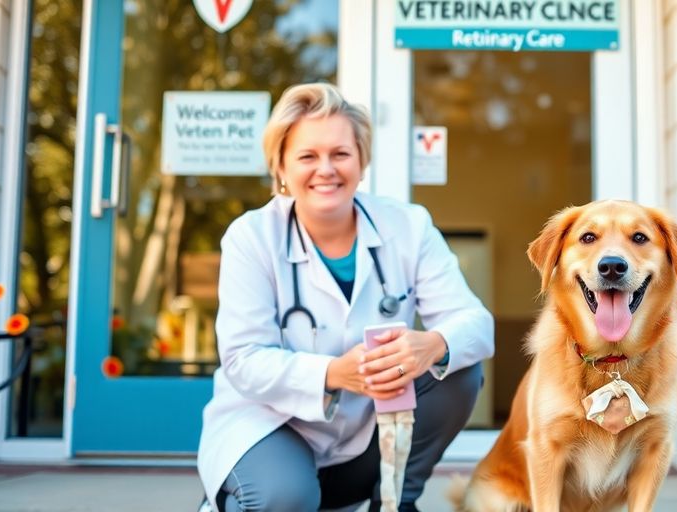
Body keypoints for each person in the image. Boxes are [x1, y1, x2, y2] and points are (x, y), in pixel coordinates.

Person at [196, 83, 494, 512]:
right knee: (286, 498)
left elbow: (476, 324)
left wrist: (431, 344)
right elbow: (242, 359)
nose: (326, 169)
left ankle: (393, 501)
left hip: (363, 437)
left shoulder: (407, 226)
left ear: (361, 160)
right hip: (267, 426)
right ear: (280, 166)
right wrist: (334, 373)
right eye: (307, 156)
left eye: (340, 154)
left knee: (457, 369)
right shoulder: (252, 237)